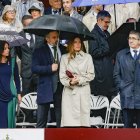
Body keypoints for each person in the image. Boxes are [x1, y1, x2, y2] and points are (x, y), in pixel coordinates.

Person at [32, 31, 66, 128]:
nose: (56, 40)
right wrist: (49, 68)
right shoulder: (39, 51)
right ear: (47, 39)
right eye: (54, 37)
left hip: (61, 88)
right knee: (42, 119)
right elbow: (34, 68)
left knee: (61, 120)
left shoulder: (63, 49)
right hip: (45, 87)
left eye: (57, 37)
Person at [59, 37, 95, 127]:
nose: (78, 44)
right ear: (71, 43)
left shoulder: (88, 57)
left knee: (83, 122)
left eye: (80, 42)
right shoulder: (64, 58)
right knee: (69, 123)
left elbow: (91, 75)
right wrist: (70, 82)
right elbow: (62, 77)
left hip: (83, 91)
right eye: (75, 42)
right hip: (70, 92)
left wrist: (79, 80)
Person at [113, 30, 140, 128]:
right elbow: (116, 74)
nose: (130, 40)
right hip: (127, 96)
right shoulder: (121, 55)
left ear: (139, 41)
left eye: (133, 38)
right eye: (129, 38)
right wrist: (122, 87)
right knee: (127, 129)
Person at [89, 10, 116, 102]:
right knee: (100, 105)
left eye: (109, 22)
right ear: (99, 20)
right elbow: (94, 52)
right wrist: (107, 48)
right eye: (106, 22)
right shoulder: (93, 34)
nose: (108, 24)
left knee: (107, 102)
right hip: (100, 76)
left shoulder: (106, 33)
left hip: (107, 73)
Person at [0, 40, 21, 128]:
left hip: (10, 96)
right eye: (5, 48)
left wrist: (19, 93)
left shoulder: (12, 62)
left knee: (9, 121)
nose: (8, 50)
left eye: (8, 48)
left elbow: (17, 79)